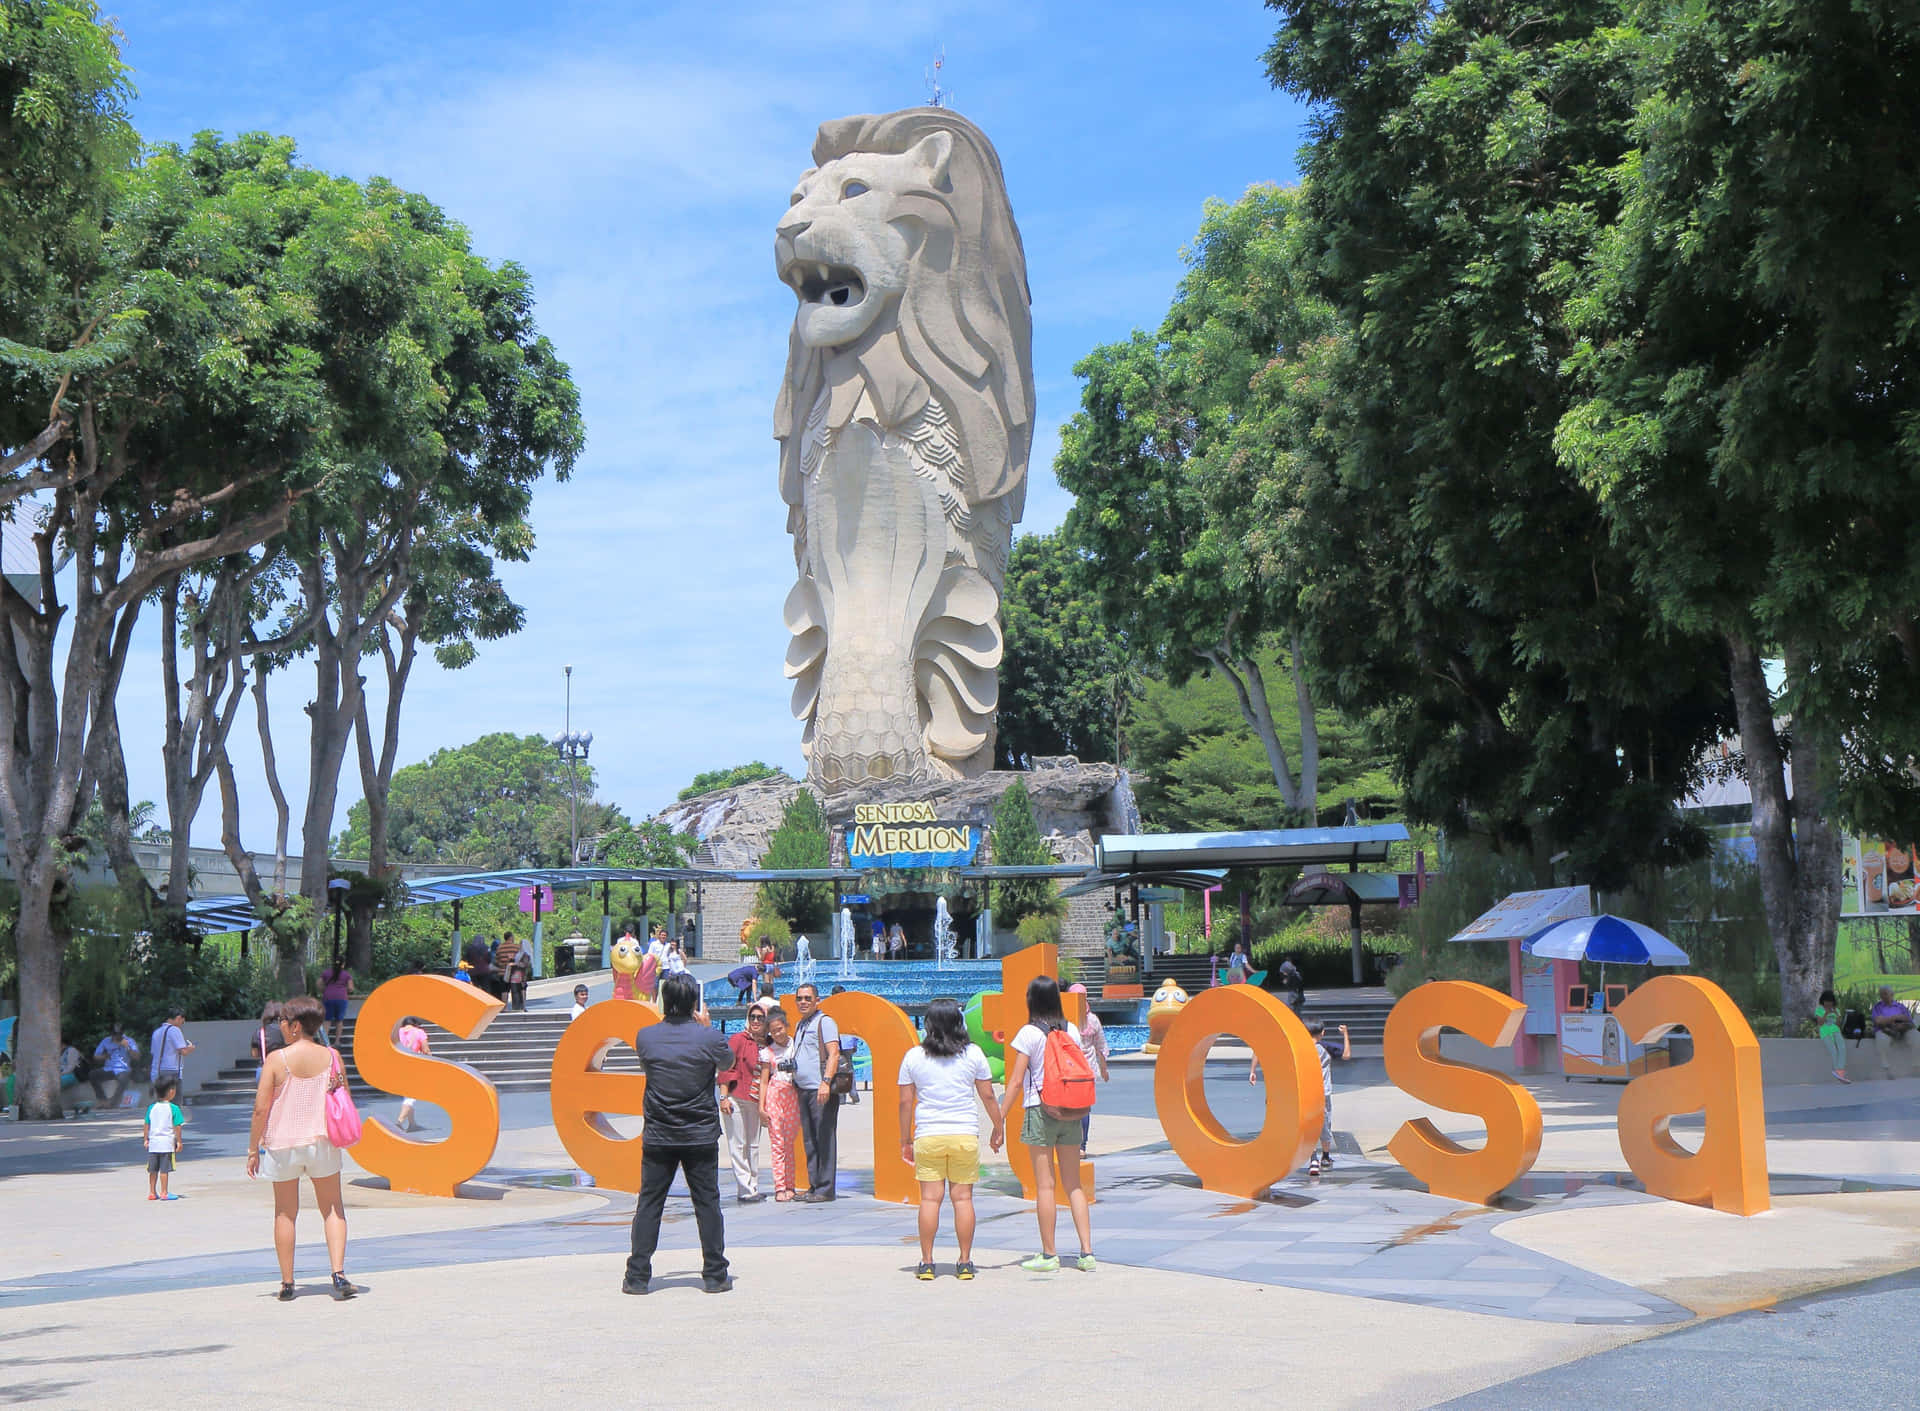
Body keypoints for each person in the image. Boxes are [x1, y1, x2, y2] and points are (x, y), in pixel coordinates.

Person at [623, 972, 733, 1295]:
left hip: (659, 1133)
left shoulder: (645, 1037)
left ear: (664, 1001)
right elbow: (728, 1060)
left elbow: (649, 1066)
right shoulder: (708, 1038)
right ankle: (714, 1274)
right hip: (699, 1133)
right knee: (707, 1203)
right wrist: (707, 1027)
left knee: (650, 1204)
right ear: (693, 1003)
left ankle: (638, 1275)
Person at [246, 995, 355, 1301]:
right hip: (322, 1141)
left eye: (283, 1021)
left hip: (282, 1146)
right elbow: (343, 1097)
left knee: (285, 1213)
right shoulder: (332, 1056)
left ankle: (287, 1283)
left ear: (295, 1026)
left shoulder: (277, 1060)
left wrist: (253, 1148)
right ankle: (338, 1274)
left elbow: (260, 1109)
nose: (280, 1026)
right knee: (333, 1208)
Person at [899, 997, 1002, 1280]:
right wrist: (998, 1125)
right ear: (960, 1023)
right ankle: (965, 1262)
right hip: (963, 1134)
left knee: (930, 1201)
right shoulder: (973, 1054)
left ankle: (927, 1262)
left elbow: (905, 1103)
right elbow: (988, 1095)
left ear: (929, 1024)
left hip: (928, 1135)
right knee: (963, 1199)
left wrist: (904, 1139)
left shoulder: (914, 1056)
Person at [1000, 975, 1095, 1273]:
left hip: (1040, 1111)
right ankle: (1087, 1253)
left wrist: (998, 1118)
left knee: (1045, 1186)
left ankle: (1049, 1254)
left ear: (1032, 1000)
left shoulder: (1028, 1033)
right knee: (1074, 1185)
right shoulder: (1072, 1031)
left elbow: (1015, 1081)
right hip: (1072, 1111)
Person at [1253, 1018, 1351, 1180]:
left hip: (1303, 1092)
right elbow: (1346, 1055)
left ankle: (1313, 1159)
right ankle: (1325, 1157)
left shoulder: (1296, 1048)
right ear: (1323, 1033)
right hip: (1322, 1093)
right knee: (1324, 1124)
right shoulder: (1326, 1047)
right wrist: (1346, 1034)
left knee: (1307, 1124)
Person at [790, 984, 843, 1202]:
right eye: (800, 998)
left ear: (817, 1000)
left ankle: (825, 1188)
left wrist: (826, 1082)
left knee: (824, 1138)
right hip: (803, 1089)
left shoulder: (825, 1022)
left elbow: (834, 1053)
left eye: (807, 998)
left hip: (819, 1090)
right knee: (810, 1140)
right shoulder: (801, 1024)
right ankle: (814, 1185)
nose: (803, 1002)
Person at [720, 1005, 768, 1204]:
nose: (756, 1021)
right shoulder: (738, 1039)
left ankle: (753, 1185)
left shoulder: (769, 1043)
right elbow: (726, 1068)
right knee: (738, 1144)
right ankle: (745, 1189)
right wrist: (723, 1097)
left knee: (753, 1144)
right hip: (737, 1098)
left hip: (756, 1100)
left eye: (760, 1018)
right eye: (753, 1017)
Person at [757, 1003, 802, 1201]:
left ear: (786, 1026)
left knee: (790, 1143)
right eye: (773, 1032)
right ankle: (780, 1187)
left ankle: (791, 1184)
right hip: (775, 1097)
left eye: (779, 1029)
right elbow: (764, 1081)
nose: (777, 1034)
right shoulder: (768, 1052)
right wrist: (761, 1107)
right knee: (777, 1144)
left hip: (793, 1096)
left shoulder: (796, 1045)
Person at [1066, 982, 1110, 1147]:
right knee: (1084, 1109)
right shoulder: (1092, 1019)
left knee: (1070, 1108)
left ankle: (1071, 1143)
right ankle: (1082, 1145)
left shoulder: (1065, 1020)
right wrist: (1104, 1070)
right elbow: (1101, 1046)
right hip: (1088, 1070)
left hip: (1069, 1070)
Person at [144, 1074, 186, 1201]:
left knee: (152, 1170)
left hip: (154, 1144)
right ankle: (164, 1192)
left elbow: (147, 1124)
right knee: (164, 1169)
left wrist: (146, 1139)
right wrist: (179, 1141)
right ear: (171, 1091)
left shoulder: (152, 1107)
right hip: (166, 1144)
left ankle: (152, 1192)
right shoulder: (174, 1108)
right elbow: (177, 1126)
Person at [394, 1017, 431, 1132]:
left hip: (398, 1066)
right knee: (411, 1096)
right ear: (416, 1024)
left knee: (407, 1094)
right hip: (414, 1066)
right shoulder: (419, 1032)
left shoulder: (397, 1032)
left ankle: (412, 1124)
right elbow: (426, 1050)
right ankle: (399, 1121)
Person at [1871, 986, 1914, 1078]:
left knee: (1916, 1036)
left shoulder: (1900, 1006)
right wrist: (1895, 1017)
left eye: (1886, 994)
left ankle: (1917, 1066)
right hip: (1885, 1030)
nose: (1884, 996)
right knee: (1881, 1038)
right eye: (1882, 994)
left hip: (1901, 1028)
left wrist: (1893, 1021)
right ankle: (1886, 1069)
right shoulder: (1877, 1007)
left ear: (1892, 994)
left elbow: (1908, 1019)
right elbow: (1878, 1022)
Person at [92, 1024, 139, 1107]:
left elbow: (137, 1057)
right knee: (92, 1074)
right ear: (111, 1033)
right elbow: (96, 1056)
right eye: (115, 1034)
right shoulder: (106, 1041)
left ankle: (112, 1102)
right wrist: (104, 1056)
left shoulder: (129, 1041)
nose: (117, 1036)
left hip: (123, 1069)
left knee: (124, 1080)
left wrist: (127, 1047)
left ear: (122, 1033)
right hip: (109, 1069)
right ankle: (103, 1100)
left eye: (119, 1034)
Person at [1813, 990, 1851, 1083]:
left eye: (1830, 1001)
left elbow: (1838, 1024)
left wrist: (1837, 1015)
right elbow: (1820, 1023)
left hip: (1835, 1030)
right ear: (1823, 1001)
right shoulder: (1819, 1009)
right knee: (1833, 1050)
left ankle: (1840, 1071)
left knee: (1842, 1048)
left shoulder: (1836, 1010)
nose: (1828, 1003)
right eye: (1826, 1001)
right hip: (1825, 1030)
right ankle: (1837, 1071)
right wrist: (1826, 1013)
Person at [150, 1010, 194, 1088]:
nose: (181, 1025)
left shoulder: (156, 1032)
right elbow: (183, 1051)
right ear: (178, 1018)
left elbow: (154, 1052)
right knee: (175, 1099)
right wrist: (190, 1048)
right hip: (171, 1071)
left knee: (161, 1098)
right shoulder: (174, 1030)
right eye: (182, 1022)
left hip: (156, 1071)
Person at [320, 962, 355, 1038]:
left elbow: (319, 984)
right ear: (343, 964)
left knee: (327, 1020)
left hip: (328, 997)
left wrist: (325, 990)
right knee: (339, 1020)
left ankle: (323, 1042)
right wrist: (344, 991)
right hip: (341, 998)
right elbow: (350, 988)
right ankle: (337, 1042)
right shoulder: (346, 974)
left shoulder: (326, 973)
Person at [506, 940, 533, 1012]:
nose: (519, 945)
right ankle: (516, 1006)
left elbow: (524, 964)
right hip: (515, 976)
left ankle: (523, 1006)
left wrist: (514, 964)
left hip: (521, 976)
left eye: (521, 944)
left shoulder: (526, 955)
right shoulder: (518, 954)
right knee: (515, 991)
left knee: (522, 990)